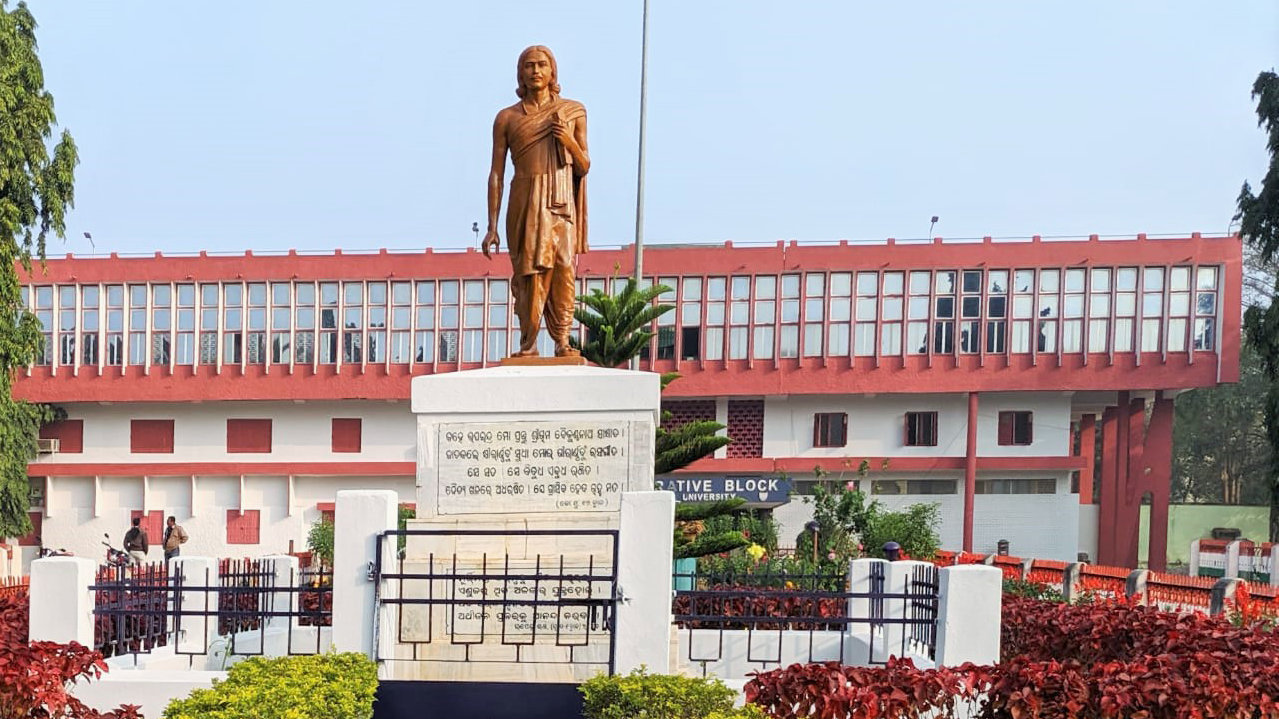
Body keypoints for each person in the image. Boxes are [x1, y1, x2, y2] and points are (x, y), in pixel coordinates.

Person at [481, 45, 590, 358]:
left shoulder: (573, 112)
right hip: (525, 199)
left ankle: (563, 341)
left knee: (563, 267)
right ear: (520, 73)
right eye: (528, 66)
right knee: (529, 272)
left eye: (542, 65)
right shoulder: (507, 118)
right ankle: (527, 343)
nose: (535, 71)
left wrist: (567, 141)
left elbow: (583, 166)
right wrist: (491, 225)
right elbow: (496, 174)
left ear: (552, 70)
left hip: (560, 201)